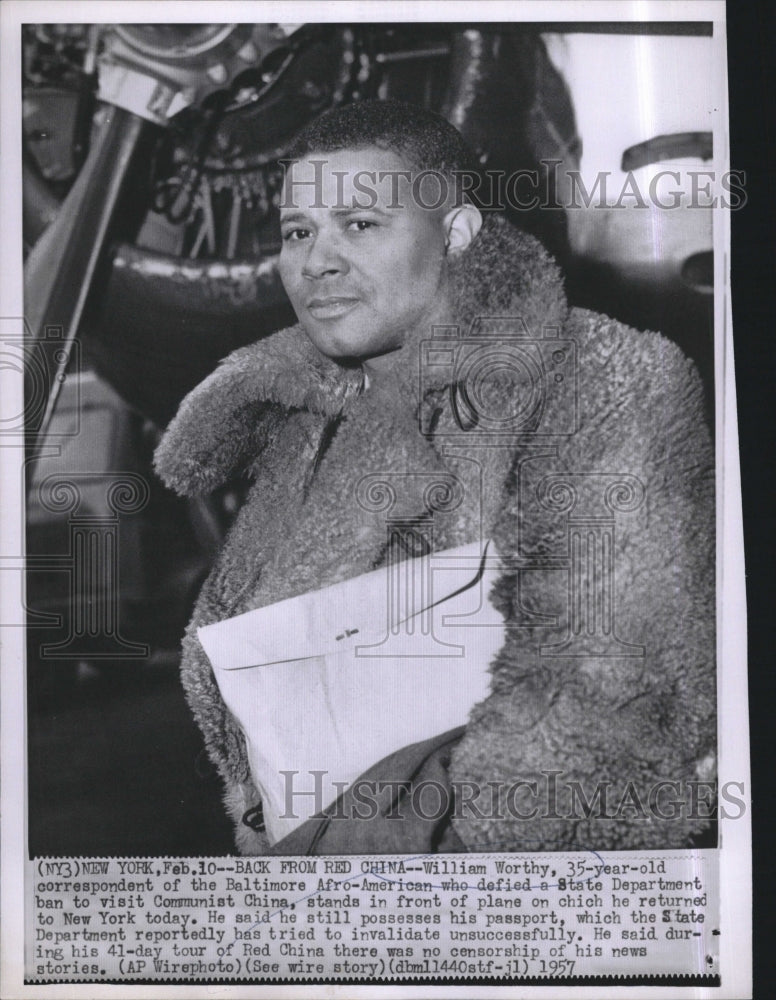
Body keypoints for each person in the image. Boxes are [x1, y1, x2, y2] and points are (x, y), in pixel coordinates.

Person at [154, 99, 715, 855]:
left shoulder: (606, 378)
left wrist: (410, 897)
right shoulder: (306, 421)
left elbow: (604, 706)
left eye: (359, 225)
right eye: (297, 232)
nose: (315, 260)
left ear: (456, 234)